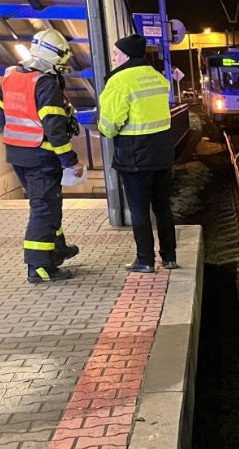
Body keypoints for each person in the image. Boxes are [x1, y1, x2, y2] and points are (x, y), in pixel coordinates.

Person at [0, 29, 83, 284]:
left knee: (48, 204)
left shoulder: (10, 76)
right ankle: (39, 266)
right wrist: (70, 160)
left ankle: (57, 249)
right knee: (44, 209)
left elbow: (0, 116)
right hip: (41, 155)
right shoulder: (45, 84)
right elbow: (55, 128)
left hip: (17, 154)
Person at [98, 34, 177, 273]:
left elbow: (110, 125)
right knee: (162, 207)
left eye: (116, 53)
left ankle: (145, 260)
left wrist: (103, 128)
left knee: (139, 209)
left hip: (134, 155)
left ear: (126, 55)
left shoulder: (119, 81)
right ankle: (169, 257)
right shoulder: (158, 77)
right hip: (162, 153)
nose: (114, 58)